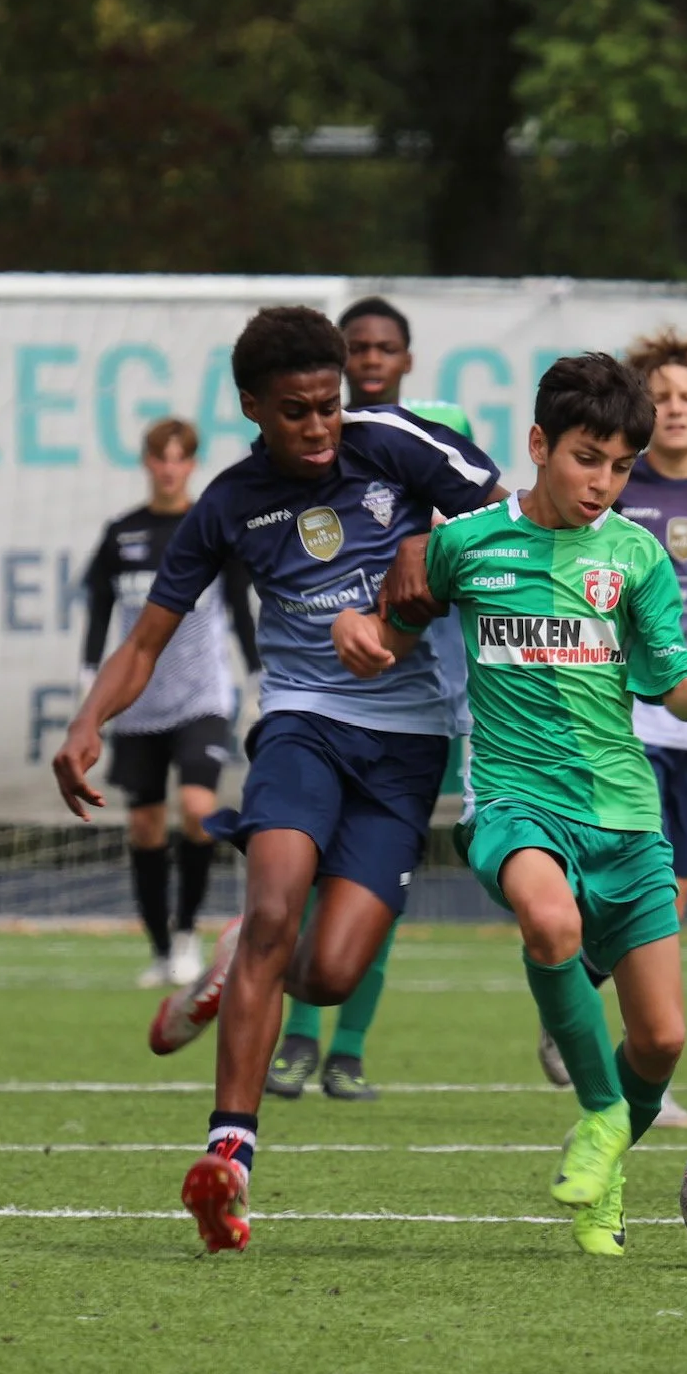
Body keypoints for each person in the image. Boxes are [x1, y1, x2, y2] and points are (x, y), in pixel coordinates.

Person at [52, 305, 502, 1254]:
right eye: (295, 411)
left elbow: (506, 513)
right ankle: (229, 1162)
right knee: (274, 909)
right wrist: (90, 720)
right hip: (302, 725)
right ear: (253, 407)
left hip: (411, 744)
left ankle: (228, 964)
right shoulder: (228, 504)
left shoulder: (395, 446)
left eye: (330, 406)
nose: (319, 427)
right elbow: (147, 638)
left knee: (331, 974)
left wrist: (428, 547)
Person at [332, 352, 687, 1258]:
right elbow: (397, 627)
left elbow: (668, 684)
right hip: (515, 800)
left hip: (625, 814)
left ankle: (604, 1175)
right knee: (547, 919)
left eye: (620, 464)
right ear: (538, 444)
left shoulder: (636, 556)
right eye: (586, 457)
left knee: (665, 1038)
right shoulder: (468, 543)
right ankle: (602, 1112)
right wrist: (360, 632)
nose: (604, 481)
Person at [532, 327, 687, 1133]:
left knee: (669, 903)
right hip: (625, 717)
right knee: (632, 894)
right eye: (659, 396)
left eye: (685, 398)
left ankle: (604, 1031)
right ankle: (593, 1033)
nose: (672, 409)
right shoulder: (610, 492)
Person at [265, 295, 476, 1104]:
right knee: (310, 866)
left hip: (428, 697)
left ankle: (348, 1047)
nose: (373, 359)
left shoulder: (436, 426)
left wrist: (424, 533)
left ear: (409, 358)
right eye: (359, 347)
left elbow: (476, 509)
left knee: (379, 877)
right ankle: (298, 1039)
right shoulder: (319, 447)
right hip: (327, 698)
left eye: (387, 346)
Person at [80, 418, 259, 989]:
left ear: (191, 464)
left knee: (199, 807)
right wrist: (90, 683)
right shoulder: (121, 534)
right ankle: (160, 948)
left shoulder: (209, 527)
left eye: (180, 458)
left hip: (201, 696)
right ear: (147, 463)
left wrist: (259, 678)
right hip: (136, 700)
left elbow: (238, 606)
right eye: (160, 458)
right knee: (145, 825)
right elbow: (101, 613)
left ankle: (187, 934)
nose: (168, 468)